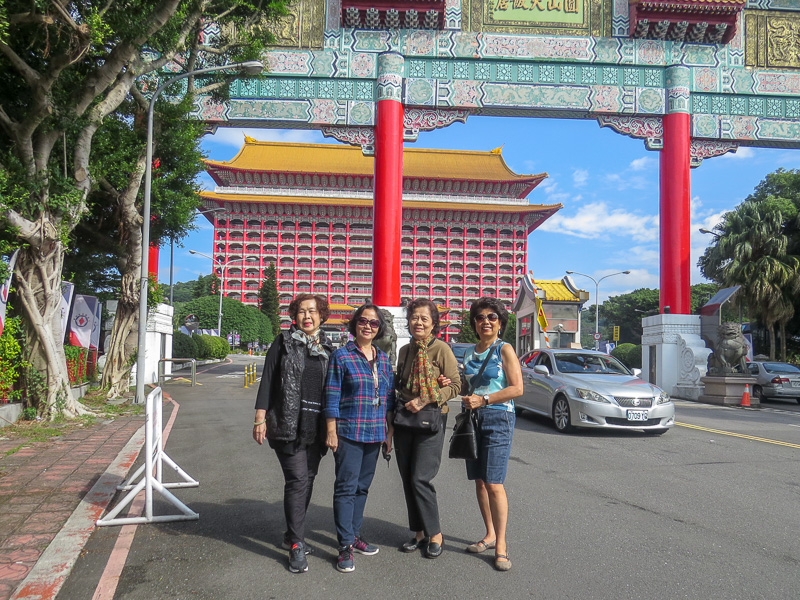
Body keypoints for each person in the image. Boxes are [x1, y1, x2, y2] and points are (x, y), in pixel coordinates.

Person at [253, 293, 333, 574]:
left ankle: (291, 534)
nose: (307, 316)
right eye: (301, 311)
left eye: (312, 311)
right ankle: (297, 544)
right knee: (298, 480)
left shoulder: (328, 347)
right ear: (294, 316)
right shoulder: (283, 343)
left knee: (308, 480)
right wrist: (259, 418)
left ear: (322, 315)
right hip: (286, 425)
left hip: (315, 427)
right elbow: (268, 379)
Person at [324, 304, 395, 573]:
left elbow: (388, 398)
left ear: (379, 329)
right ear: (355, 324)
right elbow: (331, 396)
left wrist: (389, 433)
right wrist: (331, 431)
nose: (367, 326)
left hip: (375, 432)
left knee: (362, 488)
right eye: (363, 321)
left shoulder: (383, 359)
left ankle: (354, 535)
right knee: (345, 488)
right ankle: (344, 546)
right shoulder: (341, 356)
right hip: (349, 431)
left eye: (374, 323)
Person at [392, 299, 460, 558]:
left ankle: (436, 533)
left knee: (421, 478)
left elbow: (455, 385)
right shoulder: (405, 350)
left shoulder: (441, 349)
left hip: (431, 418)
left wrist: (426, 398)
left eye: (424, 318)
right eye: (414, 318)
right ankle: (418, 533)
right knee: (408, 478)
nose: (418, 322)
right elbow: (400, 385)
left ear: (434, 324)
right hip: (404, 420)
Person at [460, 297, 523, 572]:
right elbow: (468, 385)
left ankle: (502, 545)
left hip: (499, 417)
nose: (485, 321)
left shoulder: (504, 349)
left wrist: (485, 401)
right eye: (480, 317)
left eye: (491, 317)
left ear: (500, 323)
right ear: (474, 323)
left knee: (495, 483)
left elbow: (517, 388)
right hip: (474, 419)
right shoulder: (469, 353)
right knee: (480, 481)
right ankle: (489, 534)